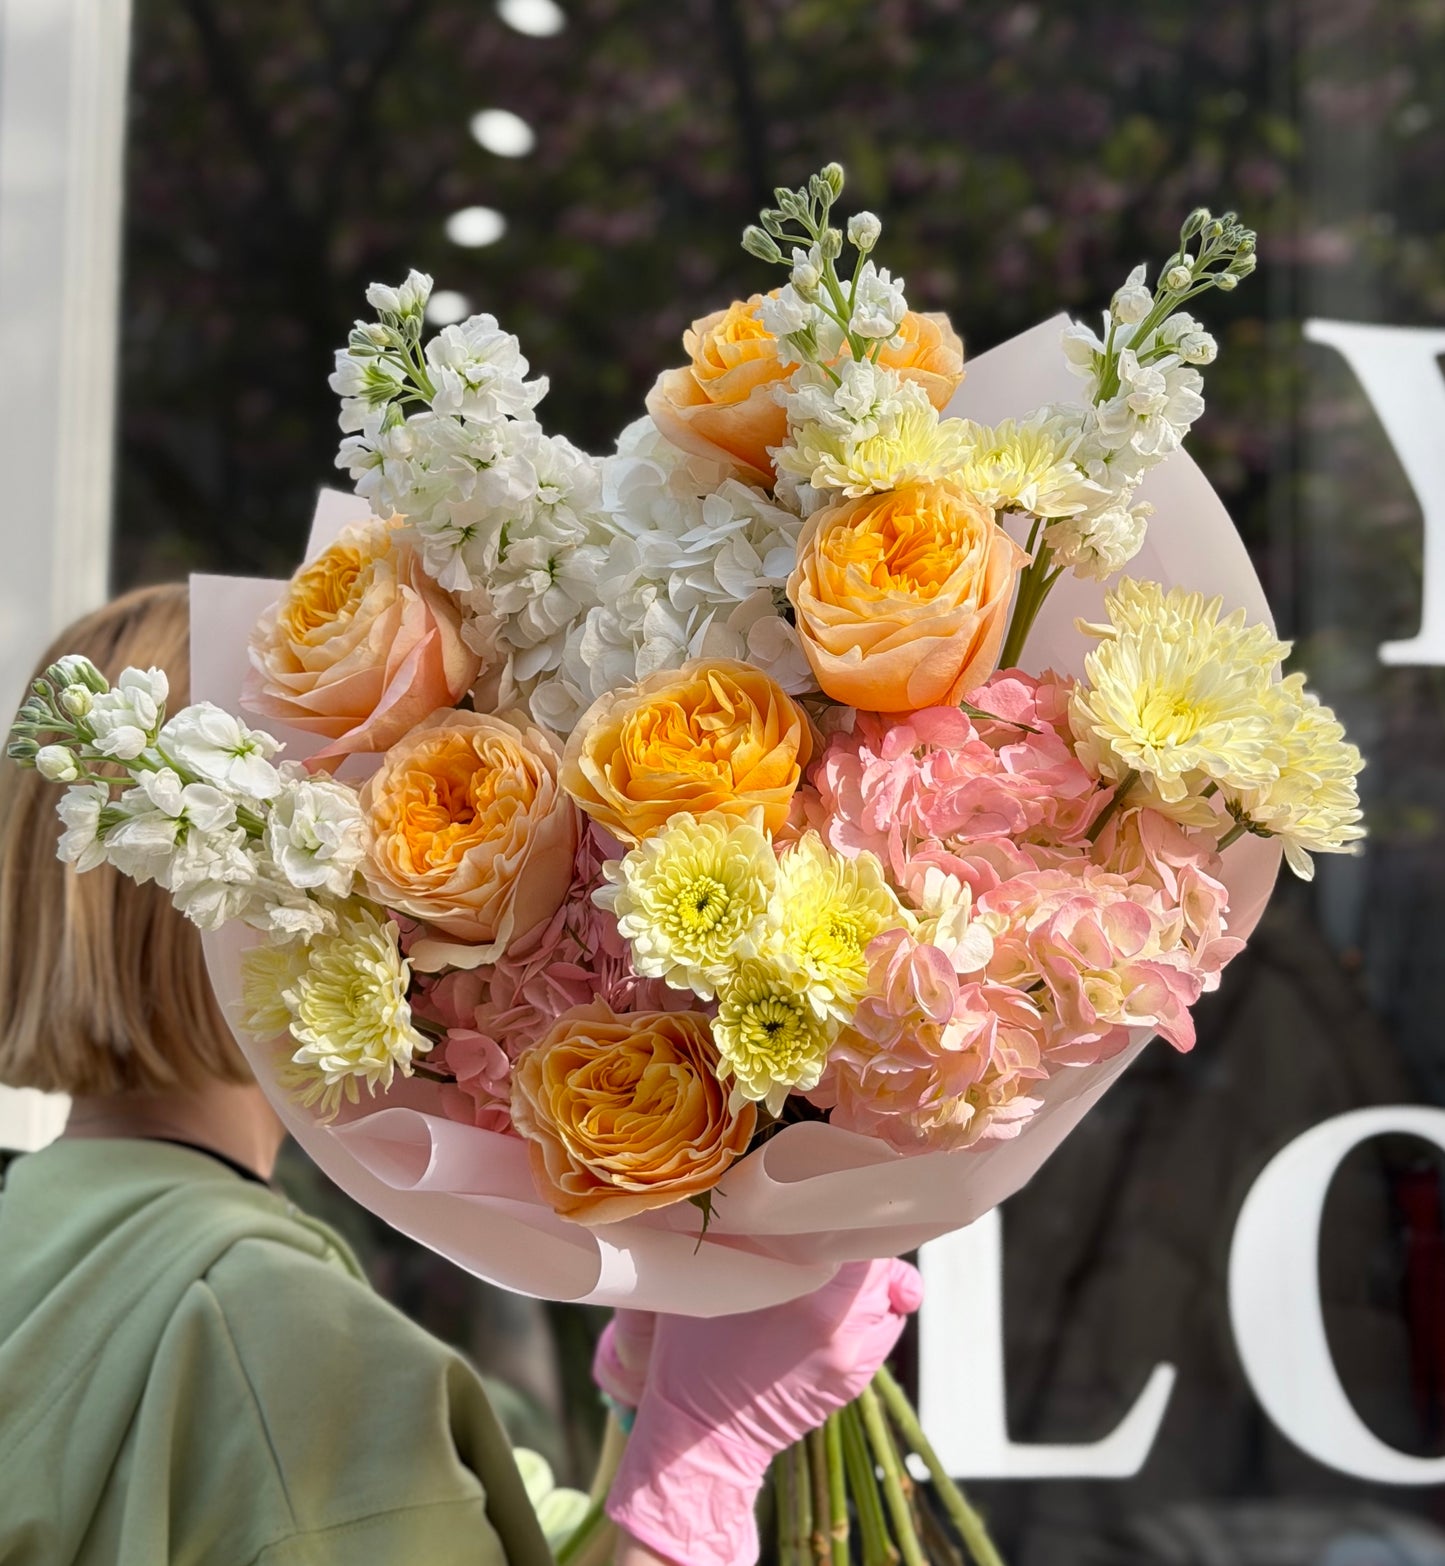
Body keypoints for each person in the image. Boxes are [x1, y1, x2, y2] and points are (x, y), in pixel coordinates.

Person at [0, 583, 921, 1566]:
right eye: (359, 812)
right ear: (247, 888)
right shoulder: (266, 1332)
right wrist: (699, 1471)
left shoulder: (48, 1246)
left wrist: (641, 1413)